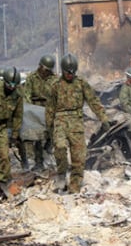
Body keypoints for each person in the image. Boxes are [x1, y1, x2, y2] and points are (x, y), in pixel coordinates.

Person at [46, 53, 110, 194]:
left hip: (76, 122)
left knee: (79, 157)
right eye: (68, 72)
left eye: (73, 72)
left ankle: (74, 188)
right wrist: (49, 128)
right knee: (60, 148)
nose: (70, 75)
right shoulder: (55, 85)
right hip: (60, 121)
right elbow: (50, 108)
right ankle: (61, 174)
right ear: (62, 71)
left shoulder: (81, 84)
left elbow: (93, 101)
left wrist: (103, 118)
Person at [24, 54, 57, 171]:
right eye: (45, 69)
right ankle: (39, 162)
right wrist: (29, 109)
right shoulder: (31, 78)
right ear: (40, 66)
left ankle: (50, 146)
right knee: (37, 137)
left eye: (48, 70)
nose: (46, 72)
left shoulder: (55, 79)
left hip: (49, 108)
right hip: (35, 107)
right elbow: (26, 94)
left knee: (53, 133)